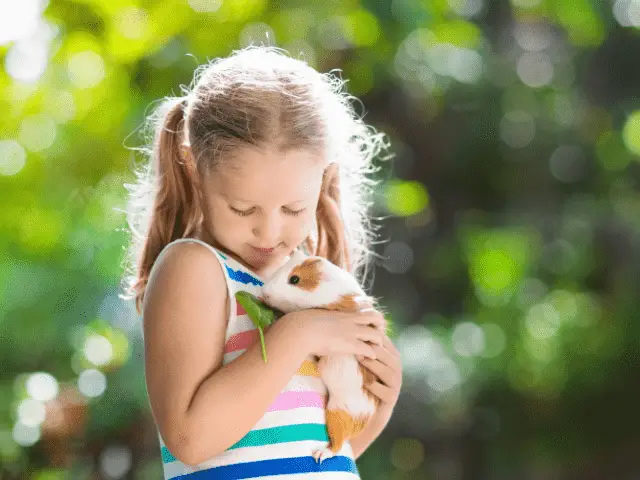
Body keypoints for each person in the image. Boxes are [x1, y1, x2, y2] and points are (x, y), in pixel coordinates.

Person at [119, 45, 402, 479]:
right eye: (243, 209)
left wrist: (378, 404)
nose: (269, 234)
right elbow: (192, 441)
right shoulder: (195, 269)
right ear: (194, 167)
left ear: (324, 177)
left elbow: (310, 455)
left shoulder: (305, 283)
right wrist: (297, 336)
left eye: (292, 209)